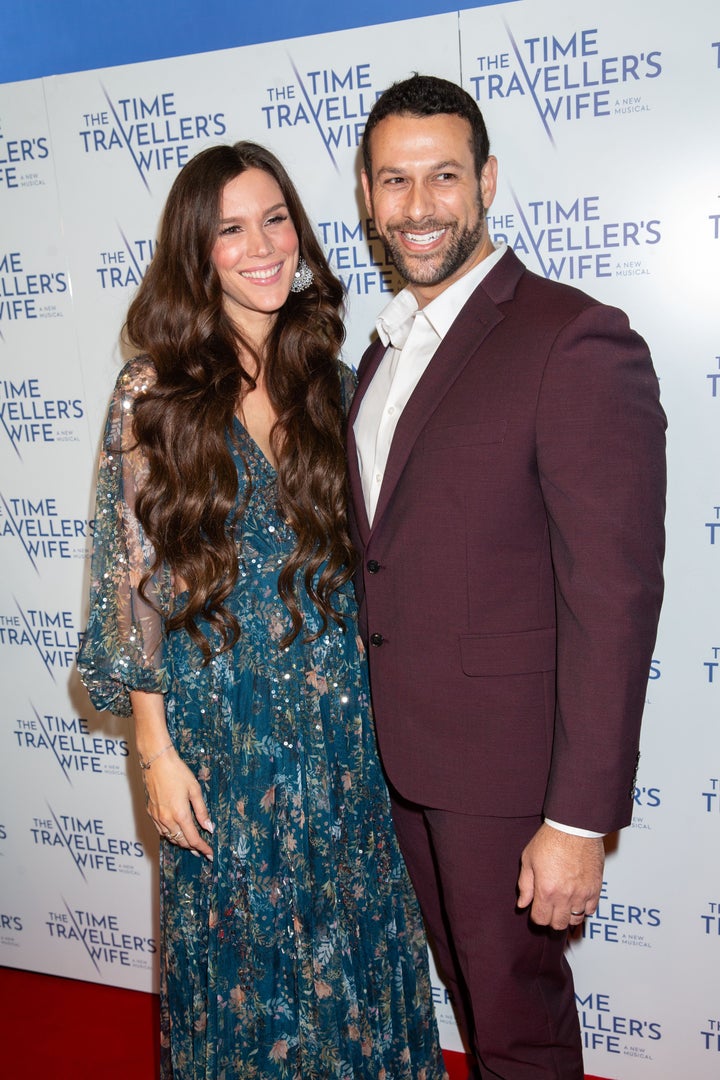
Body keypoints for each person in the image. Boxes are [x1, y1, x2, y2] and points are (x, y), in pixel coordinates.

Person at [78, 140, 448, 1080]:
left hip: (350, 743)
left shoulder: (337, 384)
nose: (262, 245)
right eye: (231, 228)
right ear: (195, 251)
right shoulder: (151, 395)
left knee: (357, 973)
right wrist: (153, 753)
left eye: (276, 218)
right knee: (240, 986)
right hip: (223, 747)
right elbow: (137, 588)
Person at [347, 75, 666, 1079]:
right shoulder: (379, 355)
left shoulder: (572, 338)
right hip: (403, 764)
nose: (420, 204)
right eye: (395, 180)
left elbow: (612, 598)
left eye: (444, 175)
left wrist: (576, 821)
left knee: (520, 1034)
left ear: (485, 180)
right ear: (366, 195)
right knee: (476, 1014)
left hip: (509, 782)